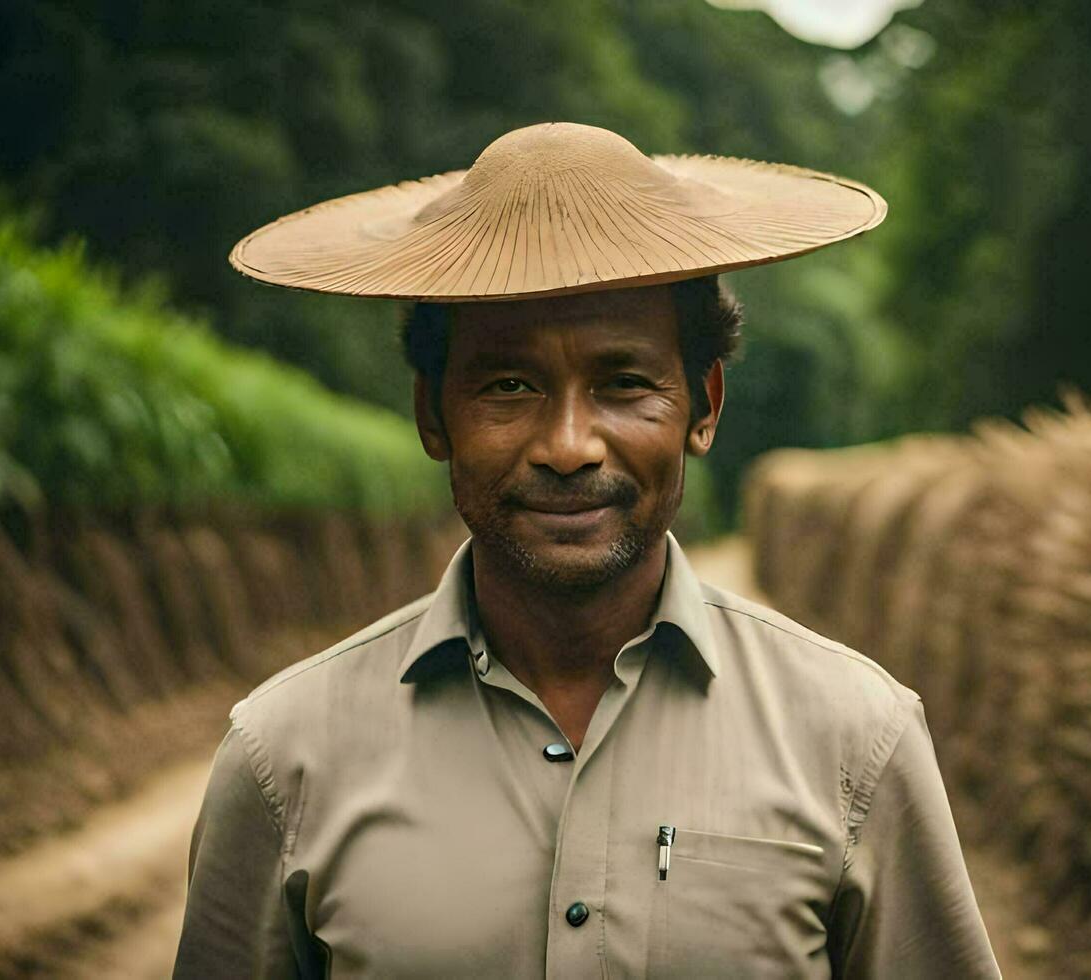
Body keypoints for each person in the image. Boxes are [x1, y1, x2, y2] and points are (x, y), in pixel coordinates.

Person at [174, 121, 1000, 978]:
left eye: (624, 383)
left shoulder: (856, 742)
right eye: (509, 385)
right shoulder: (283, 760)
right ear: (432, 414)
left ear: (703, 405)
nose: (569, 445)